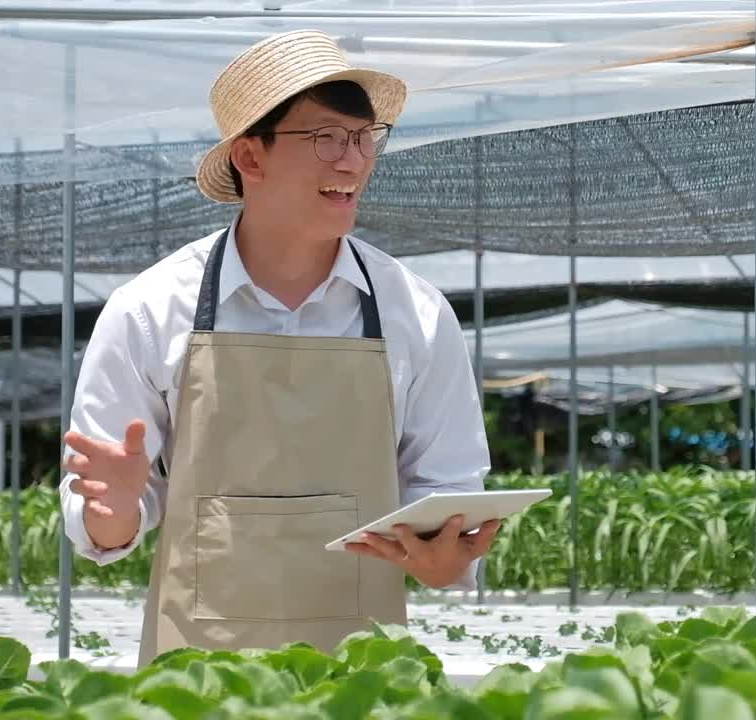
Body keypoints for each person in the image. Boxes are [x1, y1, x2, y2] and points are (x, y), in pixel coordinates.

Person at [58, 29, 498, 665]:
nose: (353, 161)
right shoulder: (149, 311)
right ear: (250, 157)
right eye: (325, 137)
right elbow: (101, 527)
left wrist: (446, 559)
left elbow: (448, 493)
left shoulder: (418, 314)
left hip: (364, 680)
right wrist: (116, 507)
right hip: (198, 682)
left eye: (364, 137)